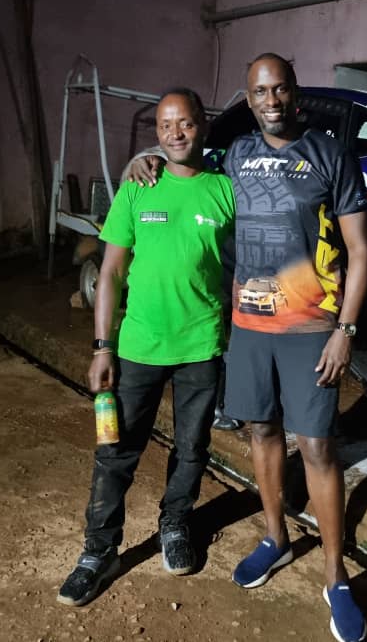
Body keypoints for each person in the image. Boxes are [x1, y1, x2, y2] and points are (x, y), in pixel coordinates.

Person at [128, 54, 367, 642]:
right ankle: (275, 537)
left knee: (316, 446)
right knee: (261, 432)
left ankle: (336, 577)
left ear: (294, 93)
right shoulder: (233, 155)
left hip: (311, 328)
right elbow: (184, 161)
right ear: (249, 97)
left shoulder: (330, 155)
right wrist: (145, 157)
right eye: (259, 91)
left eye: (279, 88)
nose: (270, 100)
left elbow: (361, 251)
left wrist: (345, 331)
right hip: (250, 326)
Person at [57, 88, 235, 607]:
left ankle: (175, 523)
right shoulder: (138, 187)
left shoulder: (225, 191)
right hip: (137, 348)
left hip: (201, 345)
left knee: (192, 448)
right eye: (165, 125)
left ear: (203, 126)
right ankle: (98, 551)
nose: (175, 133)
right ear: (156, 133)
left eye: (186, 123)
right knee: (115, 451)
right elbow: (111, 272)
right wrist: (102, 347)